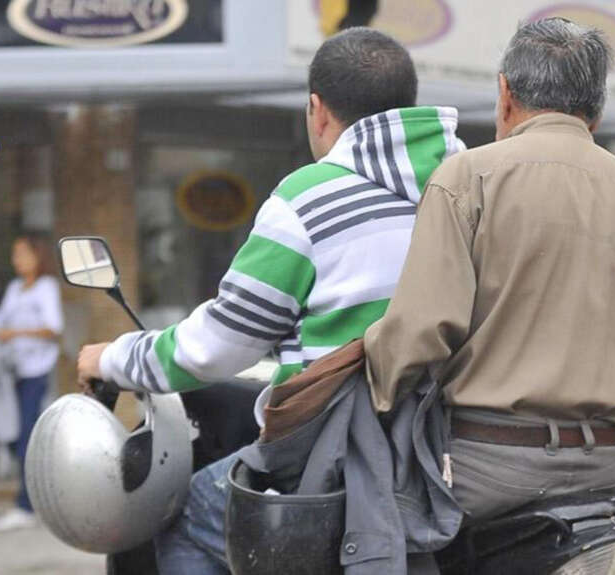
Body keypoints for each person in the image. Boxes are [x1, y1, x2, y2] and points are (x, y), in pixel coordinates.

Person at [74, 28, 463, 573]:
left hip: (338, 458)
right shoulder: (468, 187)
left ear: (317, 110)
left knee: (184, 516)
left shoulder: (308, 199)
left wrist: (114, 357)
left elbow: (216, 346)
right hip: (448, 449)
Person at [364, 17, 615, 523]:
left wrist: (372, 387)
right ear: (596, 114)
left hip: (483, 475)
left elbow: (419, 333)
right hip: (606, 476)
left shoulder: (467, 178)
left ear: (505, 94)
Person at [0, 233, 63, 532]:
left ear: (37, 256)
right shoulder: (14, 289)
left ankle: (26, 506)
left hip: (37, 371)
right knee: (10, 432)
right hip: (12, 371)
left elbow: (54, 328)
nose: (17, 260)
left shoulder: (46, 288)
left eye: (22, 253)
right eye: (15, 254)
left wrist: (16, 334)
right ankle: (36, 496)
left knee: (27, 437)